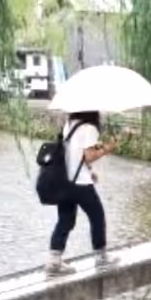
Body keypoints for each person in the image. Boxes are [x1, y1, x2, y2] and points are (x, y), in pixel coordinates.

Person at [46, 111, 119, 276]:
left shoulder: (69, 124)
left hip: (65, 181)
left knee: (65, 221)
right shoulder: (89, 127)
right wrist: (108, 148)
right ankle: (101, 259)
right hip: (81, 184)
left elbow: (72, 154)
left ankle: (54, 262)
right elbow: (88, 156)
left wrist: (89, 171)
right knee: (97, 217)